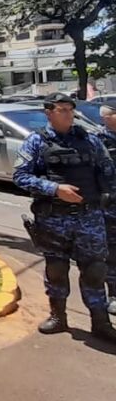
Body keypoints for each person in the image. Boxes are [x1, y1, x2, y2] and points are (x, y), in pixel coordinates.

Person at [14, 93, 116, 341]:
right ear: (48, 112)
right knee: (56, 269)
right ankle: (58, 317)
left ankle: (100, 323)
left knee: (95, 270)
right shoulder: (36, 142)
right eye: (62, 110)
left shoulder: (90, 140)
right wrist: (55, 189)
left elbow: (108, 171)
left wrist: (105, 199)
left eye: (71, 109)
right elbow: (20, 176)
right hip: (53, 219)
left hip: (89, 218)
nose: (69, 114)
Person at [97, 103, 116, 315]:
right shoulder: (98, 142)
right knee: (112, 253)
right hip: (110, 207)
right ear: (106, 117)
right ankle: (113, 294)